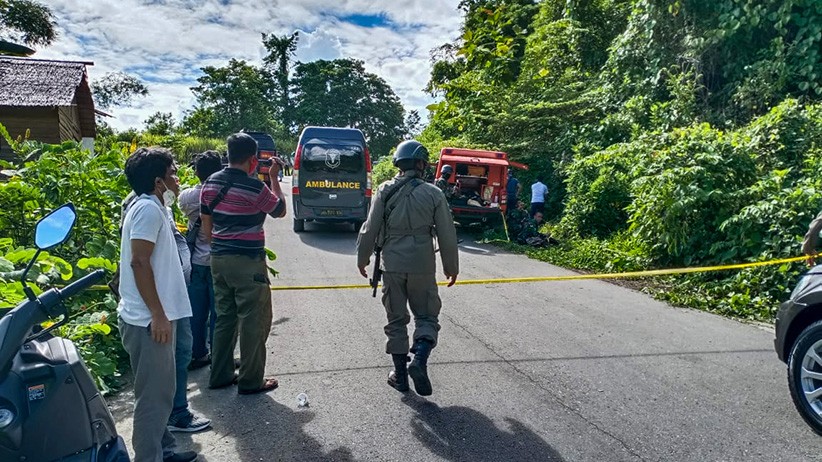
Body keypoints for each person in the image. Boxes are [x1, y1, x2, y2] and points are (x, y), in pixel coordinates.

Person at [356, 140, 459, 396]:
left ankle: (400, 377)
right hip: (422, 264)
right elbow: (447, 233)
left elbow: (370, 228)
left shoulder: (384, 190)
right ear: (422, 164)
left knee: (396, 319)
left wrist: (362, 258)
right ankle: (420, 360)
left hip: (391, 264)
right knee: (426, 316)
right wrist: (451, 266)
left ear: (398, 164)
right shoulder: (434, 193)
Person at [118, 147, 198, 462]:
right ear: (158, 182)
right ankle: (149, 457)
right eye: (173, 173)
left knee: (160, 393)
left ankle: (162, 450)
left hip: (152, 317)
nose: (178, 179)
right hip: (148, 321)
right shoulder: (148, 210)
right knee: (153, 399)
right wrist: (158, 314)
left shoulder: (151, 206)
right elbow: (140, 262)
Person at [201, 133, 286, 395]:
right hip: (248, 262)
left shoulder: (210, 184)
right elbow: (280, 209)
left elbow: (207, 229)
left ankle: (221, 374)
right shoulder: (254, 187)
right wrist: (273, 177)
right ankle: (250, 381)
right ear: (252, 159)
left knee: (225, 317)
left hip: (218, 259)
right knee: (254, 319)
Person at [178, 151, 223, 371]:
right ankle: (218, 354)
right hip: (217, 258)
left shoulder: (186, 197)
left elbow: (180, 205)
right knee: (218, 312)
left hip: (195, 260)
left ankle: (197, 353)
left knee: (196, 311)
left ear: (196, 171)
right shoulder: (223, 193)